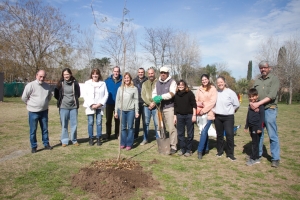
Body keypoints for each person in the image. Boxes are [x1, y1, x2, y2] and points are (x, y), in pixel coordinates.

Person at [250, 61, 280, 168]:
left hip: (269, 109)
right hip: (258, 111)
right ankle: (257, 154)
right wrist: (252, 103)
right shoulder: (257, 80)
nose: (263, 69)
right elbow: (252, 93)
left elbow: (271, 95)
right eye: (261, 68)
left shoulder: (274, 79)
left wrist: (258, 103)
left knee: (272, 134)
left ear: (269, 68)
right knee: (259, 134)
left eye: (265, 67)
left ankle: (275, 158)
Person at [21, 70, 53, 153]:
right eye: (40, 76)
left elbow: (49, 97)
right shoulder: (30, 85)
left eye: (43, 77)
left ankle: (46, 144)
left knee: (45, 129)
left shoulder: (47, 86)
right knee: (33, 130)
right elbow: (24, 97)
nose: (42, 78)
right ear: (36, 76)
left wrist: (44, 104)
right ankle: (34, 146)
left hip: (44, 112)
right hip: (33, 112)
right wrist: (30, 105)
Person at [152, 66, 178, 154]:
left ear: (168, 73)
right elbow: (154, 93)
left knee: (172, 127)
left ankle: (173, 145)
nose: (163, 74)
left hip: (169, 107)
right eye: (161, 72)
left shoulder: (172, 82)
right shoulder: (157, 82)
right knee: (160, 127)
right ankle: (163, 144)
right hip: (159, 108)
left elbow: (172, 93)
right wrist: (155, 98)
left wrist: (161, 97)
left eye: (165, 73)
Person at [214, 76, 240, 161]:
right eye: (218, 82)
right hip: (218, 117)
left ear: (224, 82)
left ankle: (230, 154)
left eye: (221, 82)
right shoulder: (216, 92)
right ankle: (220, 151)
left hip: (228, 117)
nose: (220, 84)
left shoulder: (230, 92)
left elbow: (236, 104)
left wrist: (231, 111)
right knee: (219, 135)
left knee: (229, 135)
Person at [54, 68, 81, 147]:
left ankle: (74, 140)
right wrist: (61, 101)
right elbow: (56, 94)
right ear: (63, 75)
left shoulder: (75, 83)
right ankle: (64, 141)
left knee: (74, 125)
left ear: (70, 74)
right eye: (65, 74)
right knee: (64, 125)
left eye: (67, 74)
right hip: (63, 107)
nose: (66, 76)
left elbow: (78, 94)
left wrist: (73, 100)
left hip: (73, 107)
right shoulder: (60, 83)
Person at [83, 68, 108, 146]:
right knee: (90, 122)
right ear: (91, 75)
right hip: (90, 106)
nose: (95, 75)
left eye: (96, 74)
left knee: (99, 122)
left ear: (99, 75)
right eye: (93, 74)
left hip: (99, 106)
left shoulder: (103, 84)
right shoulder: (87, 83)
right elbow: (85, 94)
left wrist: (100, 104)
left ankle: (98, 138)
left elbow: (106, 94)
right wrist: (91, 104)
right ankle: (91, 138)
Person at [114, 72, 139, 150]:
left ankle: (129, 143)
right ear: (123, 79)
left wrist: (136, 111)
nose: (126, 79)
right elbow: (117, 100)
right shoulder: (120, 88)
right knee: (123, 128)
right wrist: (115, 111)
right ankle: (123, 143)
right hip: (121, 111)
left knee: (130, 127)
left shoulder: (134, 89)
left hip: (130, 111)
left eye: (128, 78)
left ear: (130, 79)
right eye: (125, 78)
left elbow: (136, 101)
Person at [195, 74, 217, 160]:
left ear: (208, 80)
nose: (204, 81)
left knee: (204, 131)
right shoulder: (199, 89)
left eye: (205, 79)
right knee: (203, 130)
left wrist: (204, 110)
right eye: (203, 80)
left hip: (209, 113)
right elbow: (196, 100)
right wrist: (198, 105)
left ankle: (200, 150)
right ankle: (206, 148)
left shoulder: (213, 89)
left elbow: (212, 102)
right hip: (200, 113)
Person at [173, 80, 197, 157]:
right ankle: (183, 148)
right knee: (180, 134)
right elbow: (175, 107)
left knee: (190, 133)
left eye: (182, 85)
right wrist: (175, 116)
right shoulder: (176, 95)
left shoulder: (190, 94)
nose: (180, 86)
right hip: (179, 116)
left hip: (189, 115)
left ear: (185, 86)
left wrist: (194, 115)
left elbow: (194, 105)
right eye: (179, 85)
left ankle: (188, 149)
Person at [244, 88, 264, 166]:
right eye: (250, 97)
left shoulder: (260, 105)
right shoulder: (250, 105)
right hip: (251, 127)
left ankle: (254, 158)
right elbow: (248, 116)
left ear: (257, 96)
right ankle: (255, 156)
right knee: (254, 142)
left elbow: (262, 117)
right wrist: (246, 126)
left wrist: (260, 128)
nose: (252, 98)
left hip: (257, 127)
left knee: (255, 143)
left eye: (253, 96)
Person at [141, 67, 158, 145]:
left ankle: (158, 139)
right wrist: (149, 103)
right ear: (147, 74)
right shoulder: (145, 83)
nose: (151, 75)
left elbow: (160, 94)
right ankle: (145, 139)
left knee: (157, 123)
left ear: (154, 73)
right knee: (146, 123)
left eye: (152, 73)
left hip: (156, 106)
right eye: (149, 73)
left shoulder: (158, 83)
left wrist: (154, 103)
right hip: (146, 106)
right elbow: (143, 95)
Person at [105, 66, 122, 140]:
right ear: (113, 72)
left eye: (117, 71)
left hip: (118, 103)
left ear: (119, 72)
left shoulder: (122, 80)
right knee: (108, 120)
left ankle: (117, 134)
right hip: (109, 102)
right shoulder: (107, 81)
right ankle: (108, 134)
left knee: (117, 120)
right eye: (115, 71)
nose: (116, 73)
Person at [133, 68, 148, 141]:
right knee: (137, 120)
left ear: (144, 73)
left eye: (142, 72)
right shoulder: (134, 81)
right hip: (137, 103)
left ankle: (145, 136)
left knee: (145, 121)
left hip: (145, 103)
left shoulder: (147, 80)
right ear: (137, 73)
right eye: (139, 72)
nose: (140, 73)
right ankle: (136, 135)